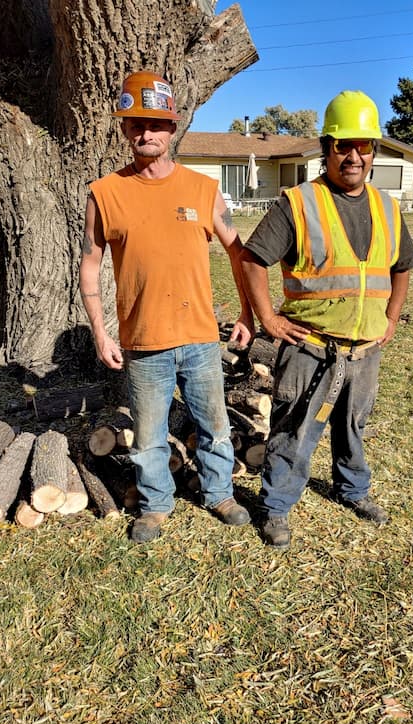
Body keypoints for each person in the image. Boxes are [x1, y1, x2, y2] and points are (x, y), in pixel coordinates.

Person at [79, 70, 254, 543]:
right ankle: (155, 505)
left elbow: (240, 255)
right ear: (124, 128)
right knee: (149, 435)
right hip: (143, 342)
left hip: (199, 337)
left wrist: (248, 312)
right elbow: (90, 266)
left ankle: (220, 493)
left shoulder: (203, 190)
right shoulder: (106, 194)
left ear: (173, 128)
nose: (147, 132)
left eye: (156, 123)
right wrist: (100, 331)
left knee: (214, 425)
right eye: (136, 123)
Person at [241, 90, 413, 550]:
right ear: (326, 148)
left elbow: (402, 267)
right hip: (310, 348)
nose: (354, 156)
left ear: (375, 151)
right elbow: (252, 259)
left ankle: (352, 491)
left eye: (364, 145)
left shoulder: (387, 207)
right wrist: (268, 319)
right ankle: (277, 507)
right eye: (343, 145)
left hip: (365, 349)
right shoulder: (299, 203)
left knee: (353, 425)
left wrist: (392, 318)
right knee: (295, 426)